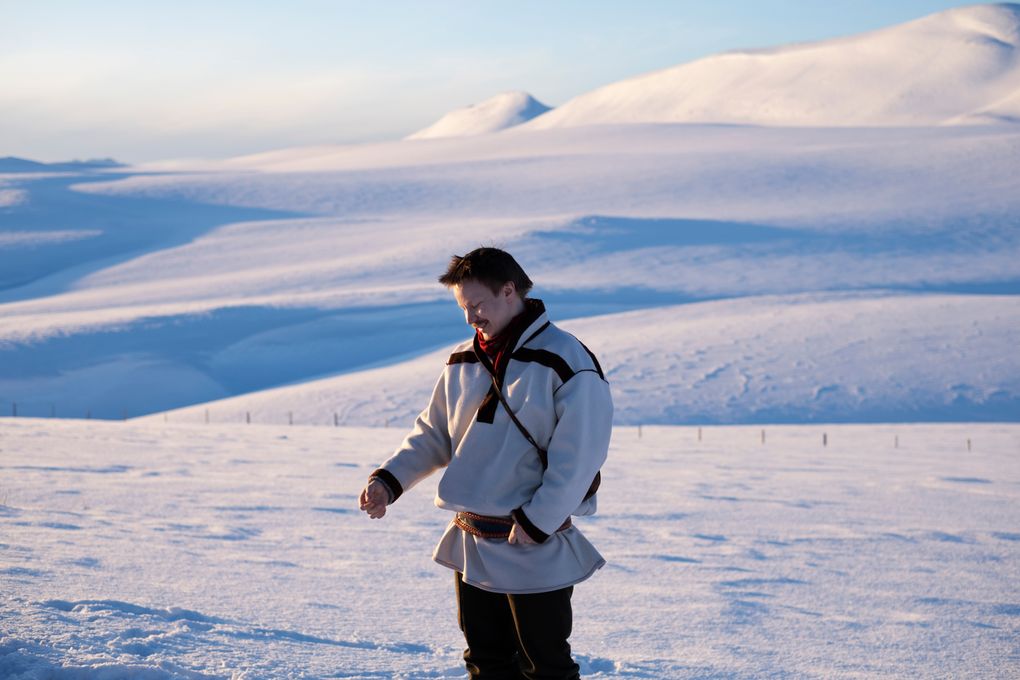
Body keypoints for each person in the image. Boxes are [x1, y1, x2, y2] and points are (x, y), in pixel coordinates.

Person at [359, 246, 613, 680]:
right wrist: (389, 479)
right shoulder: (461, 361)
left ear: (509, 290)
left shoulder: (565, 361)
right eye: (464, 308)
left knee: (545, 667)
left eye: (477, 305)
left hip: (534, 543)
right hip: (473, 540)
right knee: (486, 663)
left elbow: (580, 457)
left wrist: (538, 522)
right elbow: (434, 433)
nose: (471, 318)